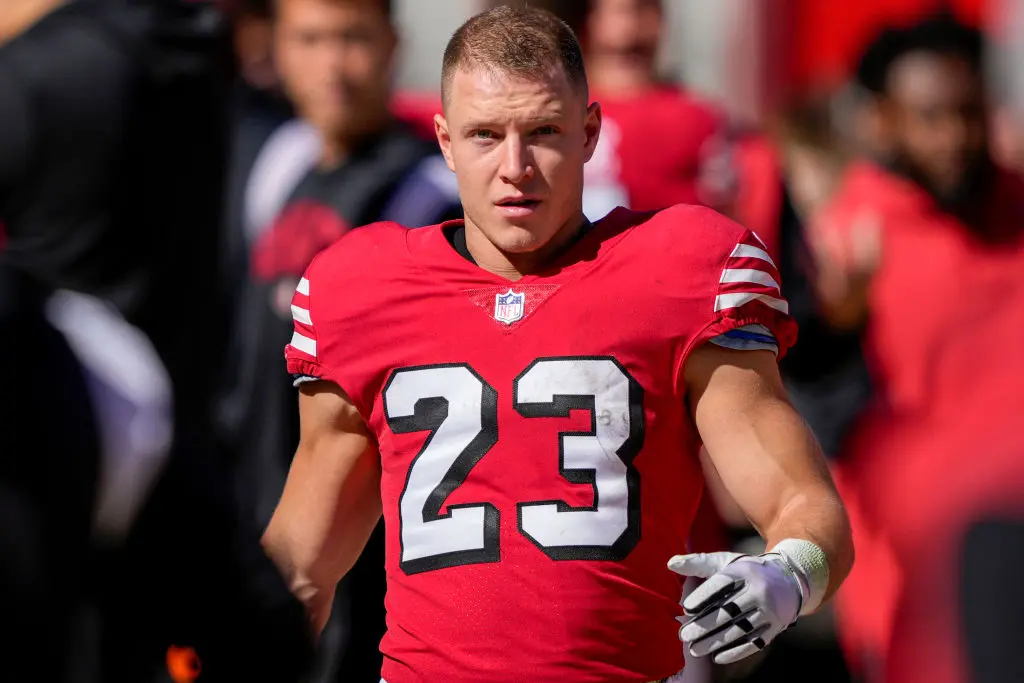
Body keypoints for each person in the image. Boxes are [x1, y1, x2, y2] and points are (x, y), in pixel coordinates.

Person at [262, 7, 853, 682]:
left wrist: (786, 574)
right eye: (486, 135)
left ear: (590, 133)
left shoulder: (681, 269)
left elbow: (804, 505)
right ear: (446, 140)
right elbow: (302, 565)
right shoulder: (363, 290)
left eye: (542, 131)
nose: (515, 167)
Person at [218, 0, 460, 679]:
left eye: (353, 38)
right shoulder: (272, 166)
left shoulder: (432, 196)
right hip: (261, 521)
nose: (333, 65)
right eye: (311, 38)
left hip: (368, 561)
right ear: (280, 46)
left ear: (392, 45)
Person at [812, 14, 1024, 683]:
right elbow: (818, 403)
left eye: (968, 113)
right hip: (918, 576)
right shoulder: (850, 237)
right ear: (881, 122)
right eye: (929, 117)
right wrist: (836, 322)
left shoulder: (1014, 205)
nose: (956, 137)